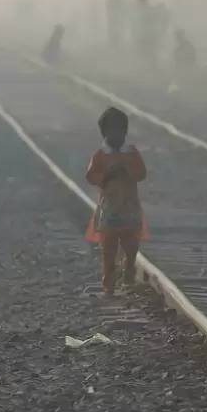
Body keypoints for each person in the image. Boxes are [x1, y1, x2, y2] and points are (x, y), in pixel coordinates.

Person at [85, 107, 149, 298]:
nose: (116, 135)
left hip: (129, 208)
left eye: (119, 131)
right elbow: (91, 176)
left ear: (125, 132)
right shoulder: (99, 155)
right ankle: (109, 285)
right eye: (111, 131)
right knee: (108, 249)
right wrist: (106, 176)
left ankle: (128, 276)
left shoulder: (132, 152)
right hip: (109, 209)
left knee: (131, 247)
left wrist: (127, 172)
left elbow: (142, 173)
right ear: (104, 133)